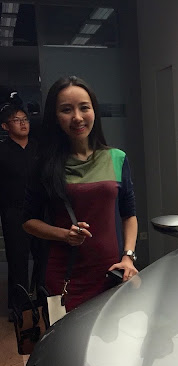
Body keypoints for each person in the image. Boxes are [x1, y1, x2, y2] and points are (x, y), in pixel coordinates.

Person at [23, 76, 138, 311]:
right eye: (66, 110)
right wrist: (64, 234)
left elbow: (129, 214)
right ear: (55, 117)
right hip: (64, 277)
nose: (77, 117)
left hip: (111, 272)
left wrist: (128, 257)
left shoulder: (117, 158)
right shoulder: (44, 165)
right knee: (64, 334)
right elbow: (28, 221)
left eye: (84, 107)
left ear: (94, 111)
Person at [0, 103, 37, 319]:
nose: (23, 123)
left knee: (44, 258)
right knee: (17, 261)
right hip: (14, 212)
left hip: (41, 212)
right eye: (17, 120)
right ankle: (19, 308)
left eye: (25, 119)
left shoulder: (38, 149)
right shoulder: (2, 152)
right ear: (5, 126)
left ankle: (42, 302)